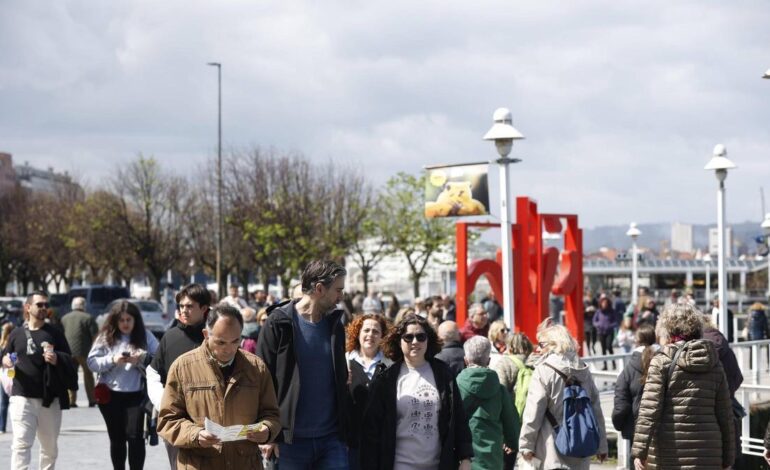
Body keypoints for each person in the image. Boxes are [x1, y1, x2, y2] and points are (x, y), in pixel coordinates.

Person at [158, 305, 281, 469]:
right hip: (199, 464)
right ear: (206, 335)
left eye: (235, 341)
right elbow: (167, 420)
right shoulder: (183, 367)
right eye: (221, 342)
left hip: (245, 464)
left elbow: (272, 413)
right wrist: (196, 435)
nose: (229, 349)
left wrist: (266, 430)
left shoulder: (256, 368)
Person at [256, 260, 352, 469]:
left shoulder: (335, 325)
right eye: (338, 290)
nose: (341, 296)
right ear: (319, 289)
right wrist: (269, 434)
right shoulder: (277, 323)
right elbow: (262, 381)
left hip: (332, 440)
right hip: (289, 442)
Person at [361, 314, 473, 470]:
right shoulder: (386, 379)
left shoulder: (443, 373)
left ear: (428, 340)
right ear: (399, 341)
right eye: (408, 337)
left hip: (439, 465)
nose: (415, 342)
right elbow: (372, 431)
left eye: (421, 337)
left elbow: (459, 417)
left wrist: (465, 457)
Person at [632, 302, 735, 469]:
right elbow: (725, 414)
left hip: (669, 453)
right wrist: (728, 458)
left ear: (668, 329)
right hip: (708, 453)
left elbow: (649, 410)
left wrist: (639, 452)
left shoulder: (661, 361)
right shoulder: (714, 362)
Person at [1, 290, 77, 470]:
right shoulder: (16, 333)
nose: (44, 308)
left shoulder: (55, 333)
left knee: (49, 449)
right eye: (39, 305)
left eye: (46, 305)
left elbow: (70, 360)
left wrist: (57, 358)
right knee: (20, 445)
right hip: (22, 397)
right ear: (28, 307)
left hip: (48, 399)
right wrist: (5, 360)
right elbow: (5, 356)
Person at [519, 320, 608, 469]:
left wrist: (526, 445)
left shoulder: (543, 371)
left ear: (553, 345)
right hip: (580, 449)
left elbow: (533, 412)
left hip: (551, 450)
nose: (538, 350)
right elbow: (596, 410)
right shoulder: (583, 370)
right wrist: (602, 446)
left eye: (541, 344)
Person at [87, 300, 159, 470]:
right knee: (117, 439)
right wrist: (112, 360)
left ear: (135, 320)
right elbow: (92, 362)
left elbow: (159, 360)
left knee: (136, 439)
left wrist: (140, 359)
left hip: (137, 395)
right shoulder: (106, 337)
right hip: (111, 396)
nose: (125, 324)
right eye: (122, 320)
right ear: (115, 321)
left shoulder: (145, 336)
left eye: (129, 320)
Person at [146, 283, 210, 469]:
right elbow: (153, 372)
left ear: (204, 308)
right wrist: (163, 403)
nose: (184, 310)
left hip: (208, 422)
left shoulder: (215, 337)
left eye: (190, 306)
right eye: (181, 306)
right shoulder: (170, 336)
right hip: (177, 421)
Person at [456, 336, 518, 470]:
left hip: (463, 458)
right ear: (489, 360)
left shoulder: (456, 387)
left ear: (466, 360)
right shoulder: (500, 390)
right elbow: (511, 421)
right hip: (492, 456)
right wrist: (512, 443)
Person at [345, 314, 391, 470]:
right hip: (350, 444)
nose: (370, 335)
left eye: (376, 331)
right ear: (357, 333)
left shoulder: (390, 365)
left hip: (380, 444)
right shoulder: (345, 362)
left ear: (382, 336)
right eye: (366, 330)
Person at [611, 323, 656, 468]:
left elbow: (621, 406)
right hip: (660, 431)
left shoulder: (628, 371)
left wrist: (620, 424)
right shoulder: (663, 363)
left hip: (635, 432)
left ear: (636, 341)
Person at [60, 296, 98, 407]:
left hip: (68, 351)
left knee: (71, 375)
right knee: (88, 375)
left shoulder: (64, 318)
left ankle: (71, 400)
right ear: (84, 306)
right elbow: (95, 336)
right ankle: (92, 399)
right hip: (84, 351)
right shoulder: (88, 318)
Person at [593, 296, 618, 366]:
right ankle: (605, 365)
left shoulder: (612, 311)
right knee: (603, 349)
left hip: (609, 332)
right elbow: (594, 321)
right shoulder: (598, 312)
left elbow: (616, 322)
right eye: (603, 303)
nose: (604, 304)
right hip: (601, 332)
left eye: (606, 303)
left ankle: (613, 363)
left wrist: (610, 325)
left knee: (609, 346)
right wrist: (598, 325)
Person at [0, 322, 15, 433]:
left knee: (3, 401)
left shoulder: (1, 344)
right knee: (15, 399)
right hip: (12, 372)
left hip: (2, 373)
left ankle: (2, 427)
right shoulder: (14, 343)